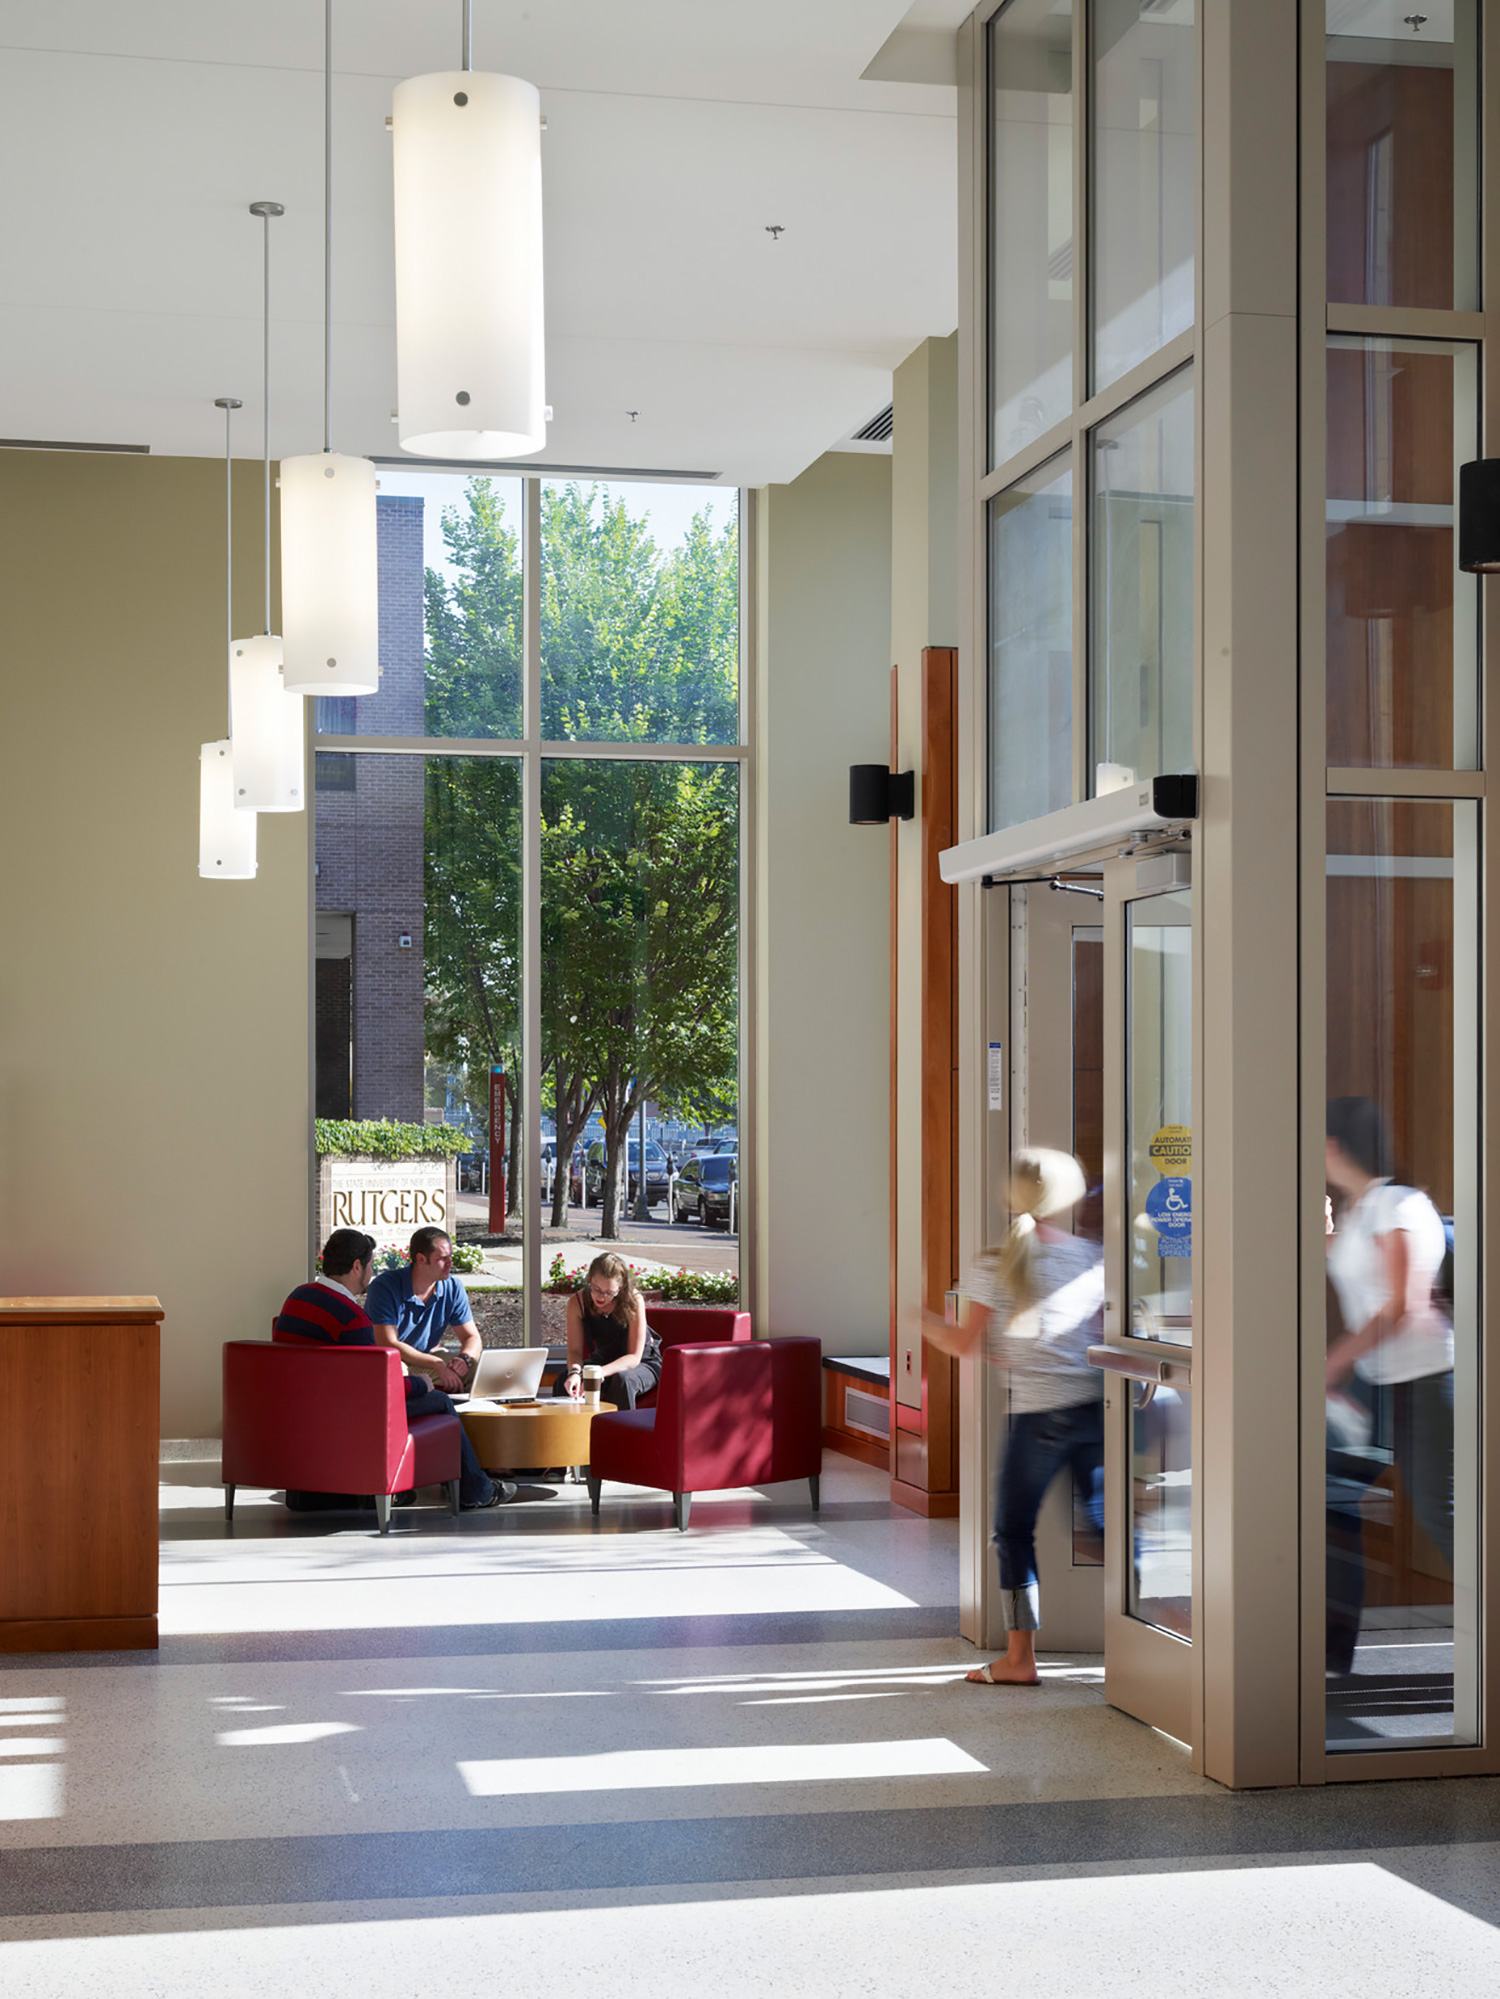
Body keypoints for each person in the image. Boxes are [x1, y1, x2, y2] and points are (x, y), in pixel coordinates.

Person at [928, 1148, 1104, 1687]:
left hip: (1037, 1417)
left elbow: (961, 1343)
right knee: (1106, 1529)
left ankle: (1019, 1660)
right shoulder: (1093, 1257)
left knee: (1012, 1532)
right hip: (1092, 1409)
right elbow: (1093, 1336)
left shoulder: (994, 1261)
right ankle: (1176, 1626)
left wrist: (920, 1320)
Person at [1324, 1095, 1453, 1674]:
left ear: (1333, 1146)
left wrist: (1336, 1364)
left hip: (1426, 1380)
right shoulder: (1360, 1208)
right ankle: (1329, 1655)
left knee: (1441, 1513)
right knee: (1331, 1502)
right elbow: (1361, 1282)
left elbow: (1404, 1302)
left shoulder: (1399, 1204)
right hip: (1383, 1383)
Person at [284, 1227, 514, 1511]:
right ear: (357, 1266)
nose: (371, 1272)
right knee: (440, 1402)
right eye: (369, 1264)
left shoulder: (297, 1298)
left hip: (305, 1412)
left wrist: (452, 1364)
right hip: (351, 1412)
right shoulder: (350, 1317)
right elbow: (376, 1384)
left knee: (448, 1386)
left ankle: (434, 1478)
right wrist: (420, 1385)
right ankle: (475, 1489)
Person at [553, 1251, 663, 1410]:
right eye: (596, 1289)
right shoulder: (577, 1303)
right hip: (602, 1360)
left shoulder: (633, 1300)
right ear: (589, 1279)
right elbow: (575, 1351)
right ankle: (568, 1433)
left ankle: (620, 1434)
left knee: (623, 1380)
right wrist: (575, 1373)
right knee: (564, 1380)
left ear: (621, 1288)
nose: (601, 1297)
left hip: (642, 1364)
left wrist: (599, 1373)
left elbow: (634, 1357)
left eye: (609, 1292)